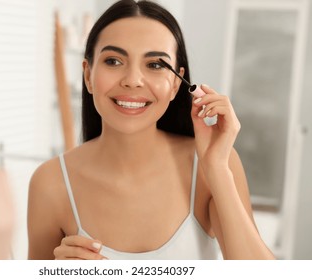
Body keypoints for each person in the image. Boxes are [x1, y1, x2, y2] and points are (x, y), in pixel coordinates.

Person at [27, 0, 275, 260]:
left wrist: (216, 169)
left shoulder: (212, 166)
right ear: (88, 76)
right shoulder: (51, 183)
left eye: (155, 65)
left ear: (176, 85)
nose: (133, 80)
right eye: (113, 60)